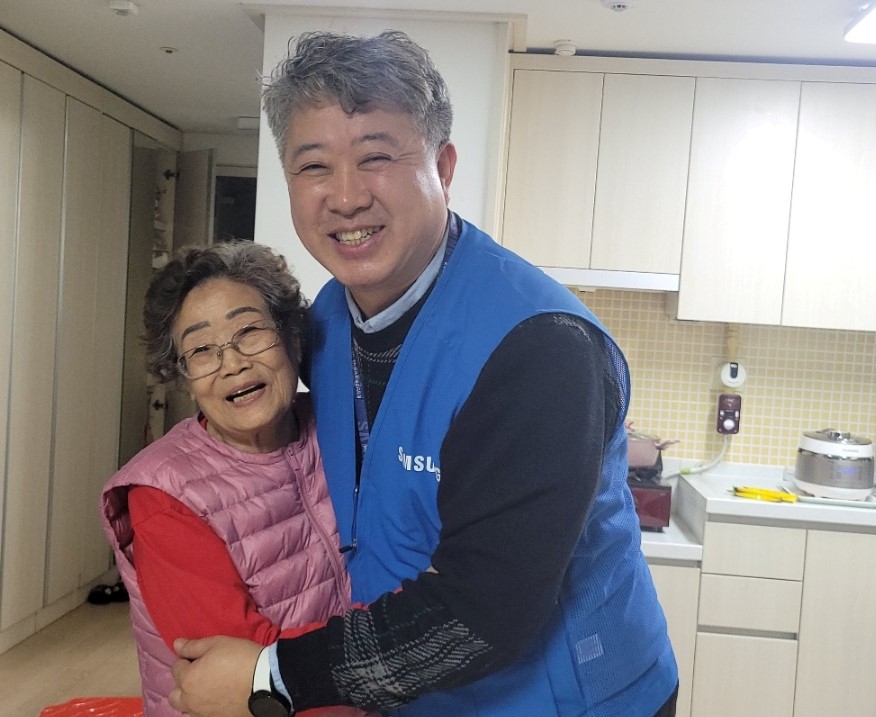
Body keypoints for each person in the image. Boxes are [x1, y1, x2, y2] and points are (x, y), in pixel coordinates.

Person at [171, 30, 678, 717]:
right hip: (407, 691)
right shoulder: (325, 320)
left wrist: (272, 675)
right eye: (313, 166)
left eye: (376, 157)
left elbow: (485, 609)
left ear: (443, 166)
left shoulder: (543, 349)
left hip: (569, 700)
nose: (345, 197)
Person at [99, 242, 372, 717]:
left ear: (291, 337)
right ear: (184, 376)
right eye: (201, 350)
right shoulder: (164, 495)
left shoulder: (337, 426)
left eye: (249, 331)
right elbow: (242, 673)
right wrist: (397, 658)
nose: (232, 363)